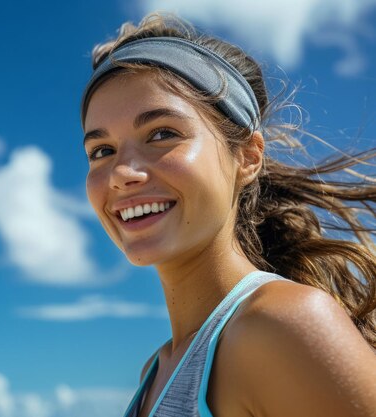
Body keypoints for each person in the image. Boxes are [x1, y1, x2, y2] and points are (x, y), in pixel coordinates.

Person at [80, 13, 376, 417]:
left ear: (249, 156)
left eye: (162, 133)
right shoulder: (155, 369)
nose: (121, 174)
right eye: (102, 150)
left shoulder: (284, 325)